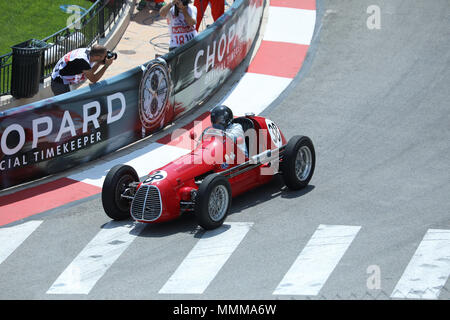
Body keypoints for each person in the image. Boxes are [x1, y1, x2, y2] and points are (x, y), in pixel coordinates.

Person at [50, 44, 114, 96]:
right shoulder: (82, 61)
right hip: (59, 84)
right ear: (97, 57)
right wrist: (106, 66)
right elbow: (93, 79)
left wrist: (98, 63)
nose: (105, 57)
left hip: (63, 79)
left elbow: (89, 72)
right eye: (104, 56)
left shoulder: (89, 52)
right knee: (66, 107)